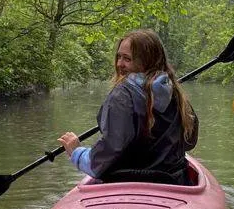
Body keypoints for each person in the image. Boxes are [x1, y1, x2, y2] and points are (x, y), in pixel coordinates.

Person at [58, 30, 198, 185]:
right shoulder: (175, 93)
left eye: (127, 59)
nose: (119, 64)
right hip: (172, 181)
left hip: (125, 183)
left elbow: (106, 157)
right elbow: (189, 142)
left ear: (146, 62)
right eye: (119, 57)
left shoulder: (122, 95)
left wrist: (77, 153)